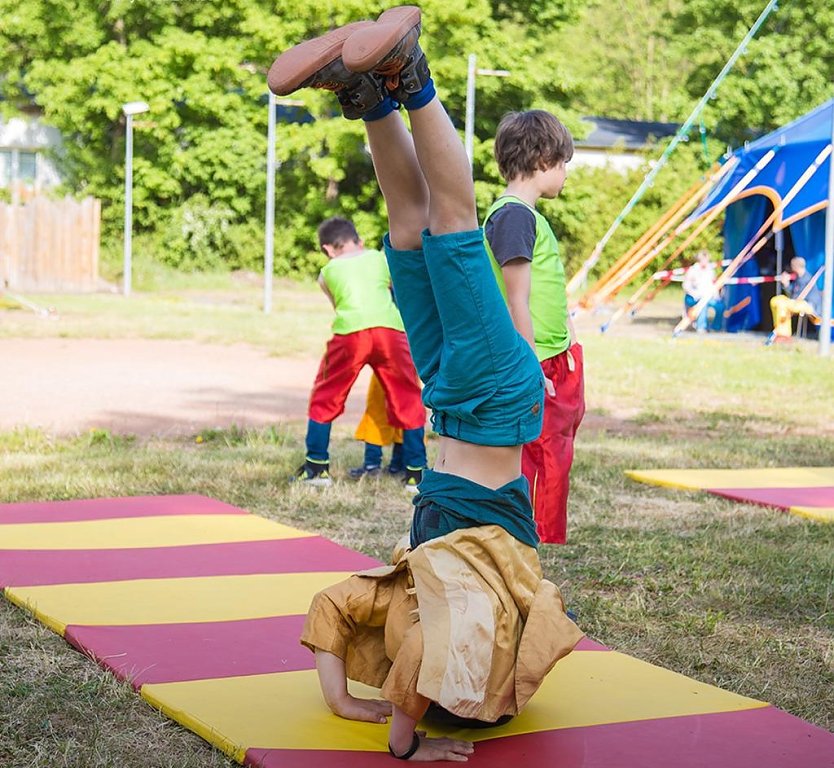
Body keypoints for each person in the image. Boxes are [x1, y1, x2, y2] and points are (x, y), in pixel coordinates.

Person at [268, 6, 582, 761]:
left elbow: (359, 626)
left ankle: (383, 90)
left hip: (462, 399)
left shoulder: (425, 596)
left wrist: (373, 721)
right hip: (484, 396)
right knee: (440, 222)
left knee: (422, 224)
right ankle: (393, 87)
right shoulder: (444, 604)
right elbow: (381, 646)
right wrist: (376, 724)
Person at [483, 110, 584, 545]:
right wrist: (529, 365)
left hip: (556, 354)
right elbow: (515, 298)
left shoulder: (527, 216)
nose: (564, 174)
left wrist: (572, 339)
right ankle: (528, 547)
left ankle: (534, 546)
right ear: (542, 159)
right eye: (563, 164)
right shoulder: (514, 216)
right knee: (540, 461)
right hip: (537, 361)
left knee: (557, 452)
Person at [296, 216, 427, 488]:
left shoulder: (327, 272)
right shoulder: (381, 258)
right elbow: (397, 291)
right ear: (360, 241)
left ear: (328, 249)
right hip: (390, 331)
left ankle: (317, 467)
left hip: (351, 334)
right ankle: (416, 472)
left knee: (326, 395)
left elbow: (338, 305)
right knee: (407, 396)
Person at [350, 372, 407, 481]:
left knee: (377, 413)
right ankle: (398, 465)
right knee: (406, 413)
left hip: (387, 363)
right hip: (409, 366)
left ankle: (372, 465)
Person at [769, 257, 823, 340]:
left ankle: (783, 334)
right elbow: (794, 296)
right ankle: (780, 330)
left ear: (795, 266)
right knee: (776, 300)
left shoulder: (806, 279)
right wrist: (786, 284)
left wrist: (786, 284)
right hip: (802, 303)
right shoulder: (799, 278)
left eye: (791, 265)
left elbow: (796, 298)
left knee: (783, 304)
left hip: (810, 305)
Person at [682, 250, 724, 333]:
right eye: (704, 259)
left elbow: (713, 284)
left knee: (720, 306)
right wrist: (693, 294)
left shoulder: (710, 270)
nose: (705, 262)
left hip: (708, 296)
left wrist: (716, 296)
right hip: (694, 297)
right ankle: (701, 327)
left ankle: (716, 327)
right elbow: (686, 285)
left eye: (707, 260)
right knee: (702, 305)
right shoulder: (693, 270)